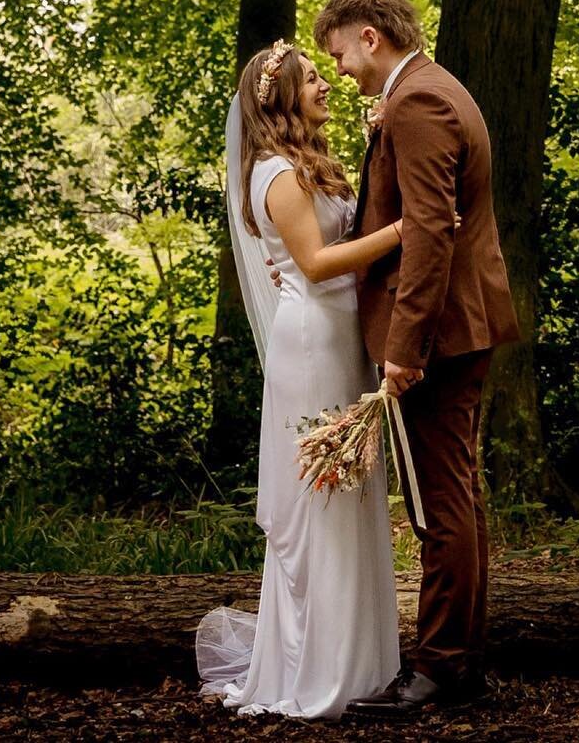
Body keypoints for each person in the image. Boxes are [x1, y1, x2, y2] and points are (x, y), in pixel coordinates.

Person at [314, 0, 521, 718]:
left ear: (370, 35)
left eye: (338, 53)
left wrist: (405, 348)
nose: (339, 70)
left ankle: (439, 670)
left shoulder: (419, 102)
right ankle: (457, 662)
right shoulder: (430, 90)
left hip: (439, 332)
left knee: (441, 506)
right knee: (454, 496)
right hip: (457, 325)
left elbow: (432, 232)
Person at [196, 40, 404, 720]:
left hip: (341, 337)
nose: (326, 84)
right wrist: (406, 229)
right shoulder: (274, 174)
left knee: (351, 493)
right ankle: (321, 670)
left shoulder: (309, 163)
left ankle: (358, 660)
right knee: (324, 502)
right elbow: (315, 263)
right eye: (313, 79)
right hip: (312, 341)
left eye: (323, 73)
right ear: (283, 98)